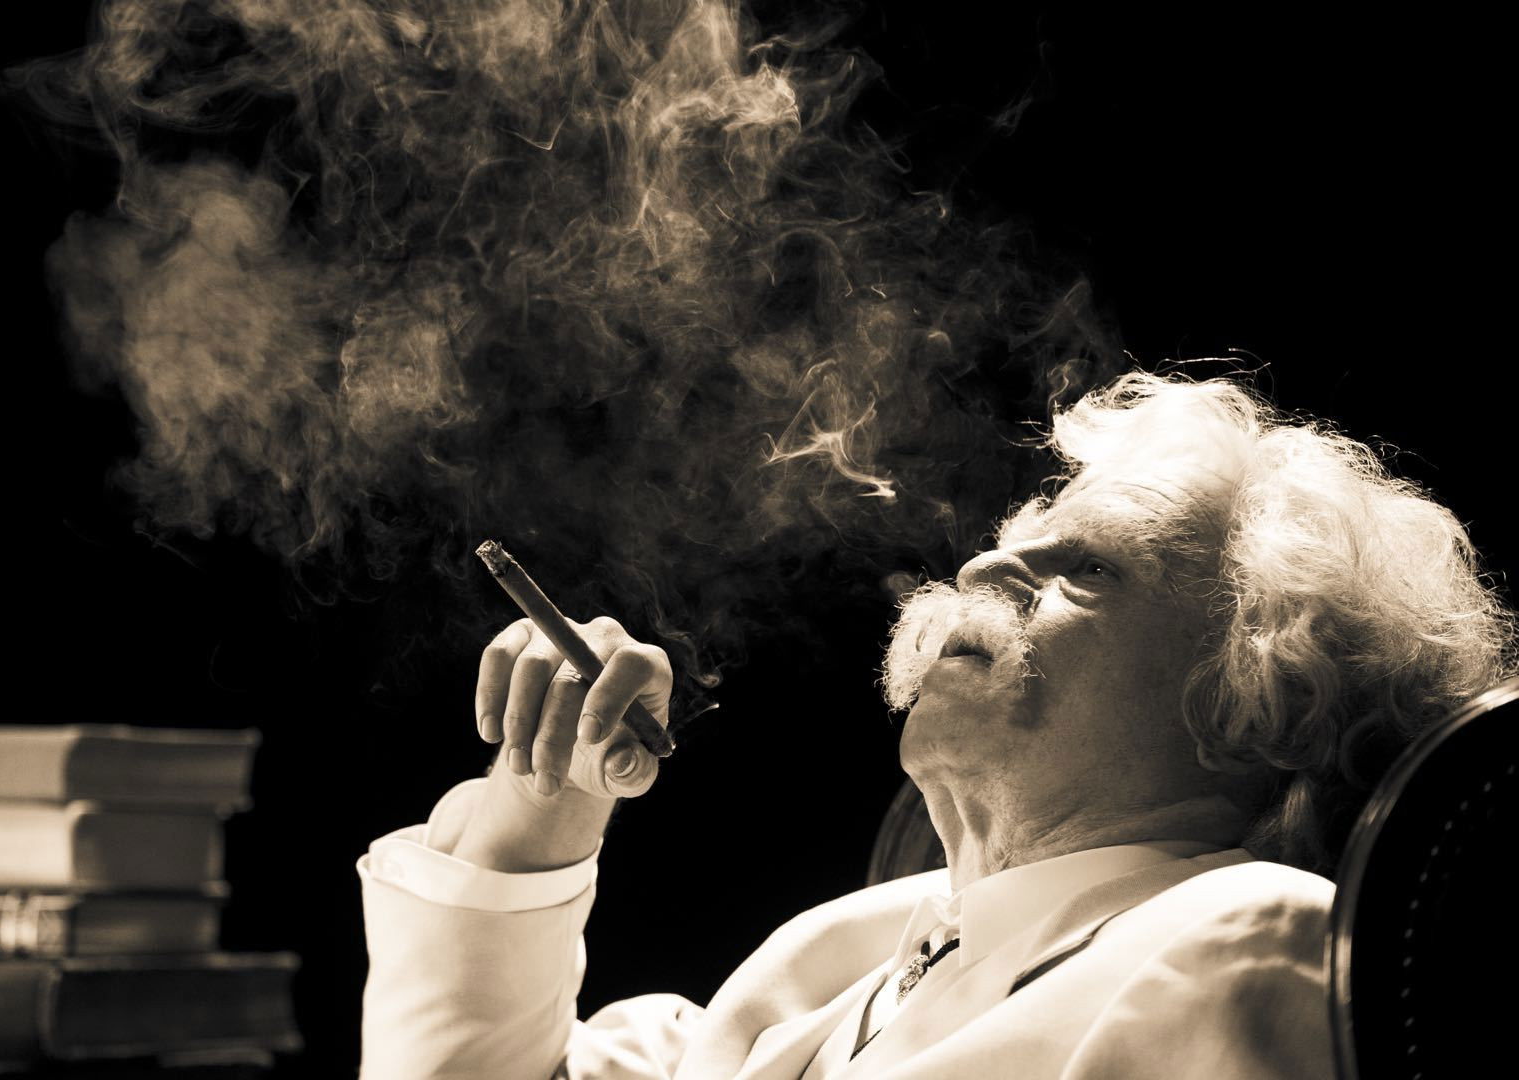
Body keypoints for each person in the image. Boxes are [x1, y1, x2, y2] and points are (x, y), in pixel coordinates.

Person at [357, 372, 1515, 1078]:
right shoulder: (853, 951)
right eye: (1011, 541)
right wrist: (547, 801)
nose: (980, 569)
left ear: (1262, 695)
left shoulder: (1247, 950)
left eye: (1088, 570)